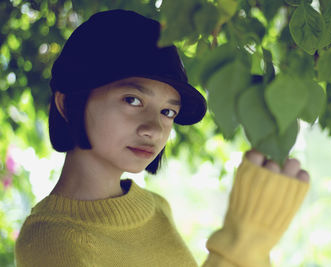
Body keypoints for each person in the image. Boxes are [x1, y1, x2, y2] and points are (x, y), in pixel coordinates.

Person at [14, 9, 310, 267]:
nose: (154, 129)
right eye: (132, 100)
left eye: (168, 112)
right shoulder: (49, 241)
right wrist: (242, 247)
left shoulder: (155, 207)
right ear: (67, 103)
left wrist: (250, 245)